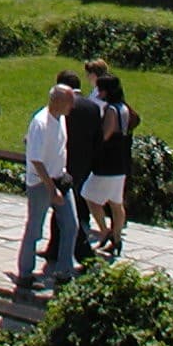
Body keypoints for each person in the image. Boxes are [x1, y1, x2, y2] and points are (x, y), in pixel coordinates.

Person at [14, 83, 79, 293]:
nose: (73, 105)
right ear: (58, 101)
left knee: (71, 224)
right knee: (35, 227)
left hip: (59, 177)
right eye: (70, 101)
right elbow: (36, 161)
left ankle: (64, 271)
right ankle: (25, 273)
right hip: (41, 183)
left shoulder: (61, 118)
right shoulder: (41, 123)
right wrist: (52, 189)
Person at [83, 74, 139, 256]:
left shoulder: (111, 110)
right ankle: (117, 238)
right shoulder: (124, 108)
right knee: (116, 202)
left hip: (107, 161)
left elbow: (105, 135)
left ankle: (105, 230)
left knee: (89, 196)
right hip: (121, 161)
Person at [60, 70, 104, 264]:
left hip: (65, 160)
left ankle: (73, 247)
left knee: (64, 204)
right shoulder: (92, 107)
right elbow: (98, 137)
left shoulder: (65, 105)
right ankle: (61, 246)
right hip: (84, 161)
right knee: (76, 200)